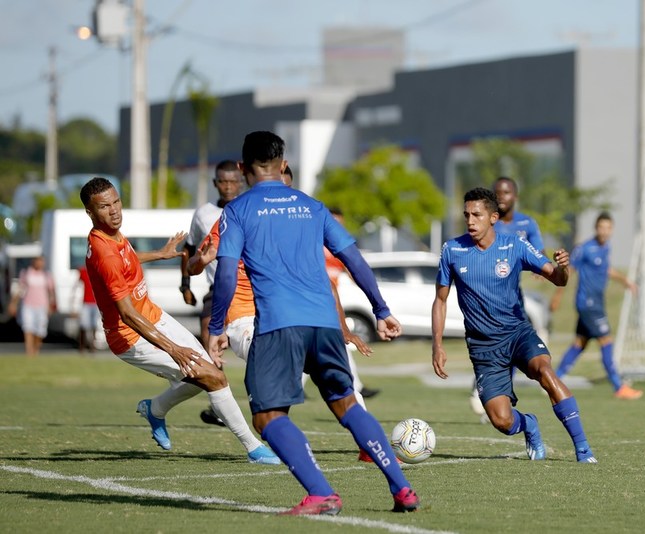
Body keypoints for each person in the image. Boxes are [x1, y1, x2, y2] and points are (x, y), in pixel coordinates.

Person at [208, 131, 419, 515]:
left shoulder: (236, 211)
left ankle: (321, 493)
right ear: (283, 164)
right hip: (325, 323)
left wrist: (216, 327)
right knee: (347, 403)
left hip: (277, 325)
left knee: (267, 416)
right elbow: (354, 259)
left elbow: (224, 274)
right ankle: (403, 489)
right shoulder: (313, 207)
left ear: (242, 169)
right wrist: (381, 309)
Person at [78, 177, 279, 465]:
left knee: (203, 376)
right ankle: (253, 447)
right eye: (104, 207)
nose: (114, 211)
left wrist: (159, 254)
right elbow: (127, 315)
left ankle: (155, 409)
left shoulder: (112, 235)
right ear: (90, 213)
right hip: (130, 335)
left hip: (154, 316)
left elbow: (127, 257)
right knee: (214, 377)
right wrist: (174, 349)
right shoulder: (103, 251)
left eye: (116, 202)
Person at [432, 187, 597, 463]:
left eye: (477, 215)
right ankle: (529, 424)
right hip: (483, 347)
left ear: (493, 217)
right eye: (466, 215)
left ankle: (583, 449)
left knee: (545, 372)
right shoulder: (452, 250)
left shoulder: (515, 246)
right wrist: (437, 344)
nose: (470, 221)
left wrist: (564, 267)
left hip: (518, 333)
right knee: (502, 421)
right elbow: (440, 300)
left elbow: (557, 279)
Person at [468, 176, 546, 418]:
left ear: (516, 196)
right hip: (485, 298)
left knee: (513, 346)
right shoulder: (487, 223)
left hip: (513, 298)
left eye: (507, 192)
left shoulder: (527, 223)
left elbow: (538, 253)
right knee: (489, 345)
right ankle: (483, 388)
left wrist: (539, 268)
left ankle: (501, 392)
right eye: (498, 193)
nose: (502, 196)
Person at [551, 211, 643, 400]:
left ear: (612, 230)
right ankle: (619, 387)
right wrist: (557, 295)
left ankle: (553, 380)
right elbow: (568, 270)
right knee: (606, 340)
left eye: (608, 228)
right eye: (601, 227)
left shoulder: (606, 248)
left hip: (596, 303)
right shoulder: (584, 248)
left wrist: (626, 281)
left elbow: (605, 269)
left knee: (579, 344)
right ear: (596, 228)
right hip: (588, 303)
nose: (605, 231)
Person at [179, 160, 244, 426]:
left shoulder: (248, 207)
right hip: (216, 288)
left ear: (240, 182)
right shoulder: (203, 214)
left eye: (232, 182)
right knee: (208, 340)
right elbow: (189, 249)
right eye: (222, 182)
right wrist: (185, 284)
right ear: (215, 183)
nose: (228, 187)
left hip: (248, 289)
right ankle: (219, 405)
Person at [325, 207, 381, 400]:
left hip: (333, 302)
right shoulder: (313, 244)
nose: (337, 227)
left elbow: (354, 271)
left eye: (340, 223)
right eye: (333, 222)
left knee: (335, 342)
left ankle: (356, 385)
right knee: (327, 343)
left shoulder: (338, 248)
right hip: (315, 302)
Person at [8, 255, 56, 356]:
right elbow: (20, 289)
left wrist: (52, 305)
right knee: (28, 327)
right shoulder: (26, 273)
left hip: (42, 305)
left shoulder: (46, 275)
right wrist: (13, 303)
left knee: (40, 330)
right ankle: (29, 351)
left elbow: (51, 292)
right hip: (28, 304)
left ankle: (36, 349)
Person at [72, 264, 100, 353]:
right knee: (83, 325)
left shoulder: (99, 272)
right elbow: (77, 287)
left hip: (96, 303)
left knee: (94, 325)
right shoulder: (84, 271)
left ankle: (92, 346)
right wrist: (74, 305)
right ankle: (82, 346)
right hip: (86, 303)